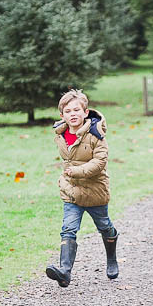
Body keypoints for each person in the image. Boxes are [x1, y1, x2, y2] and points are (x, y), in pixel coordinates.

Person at [45, 89, 119, 288]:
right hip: (71, 191)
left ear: (86, 112)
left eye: (77, 110)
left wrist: (76, 171)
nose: (73, 114)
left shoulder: (97, 135)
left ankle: (111, 259)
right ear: (62, 115)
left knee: (104, 226)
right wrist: (67, 179)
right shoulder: (60, 134)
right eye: (68, 111)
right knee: (68, 229)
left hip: (95, 191)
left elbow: (100, 162)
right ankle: (65, 272)